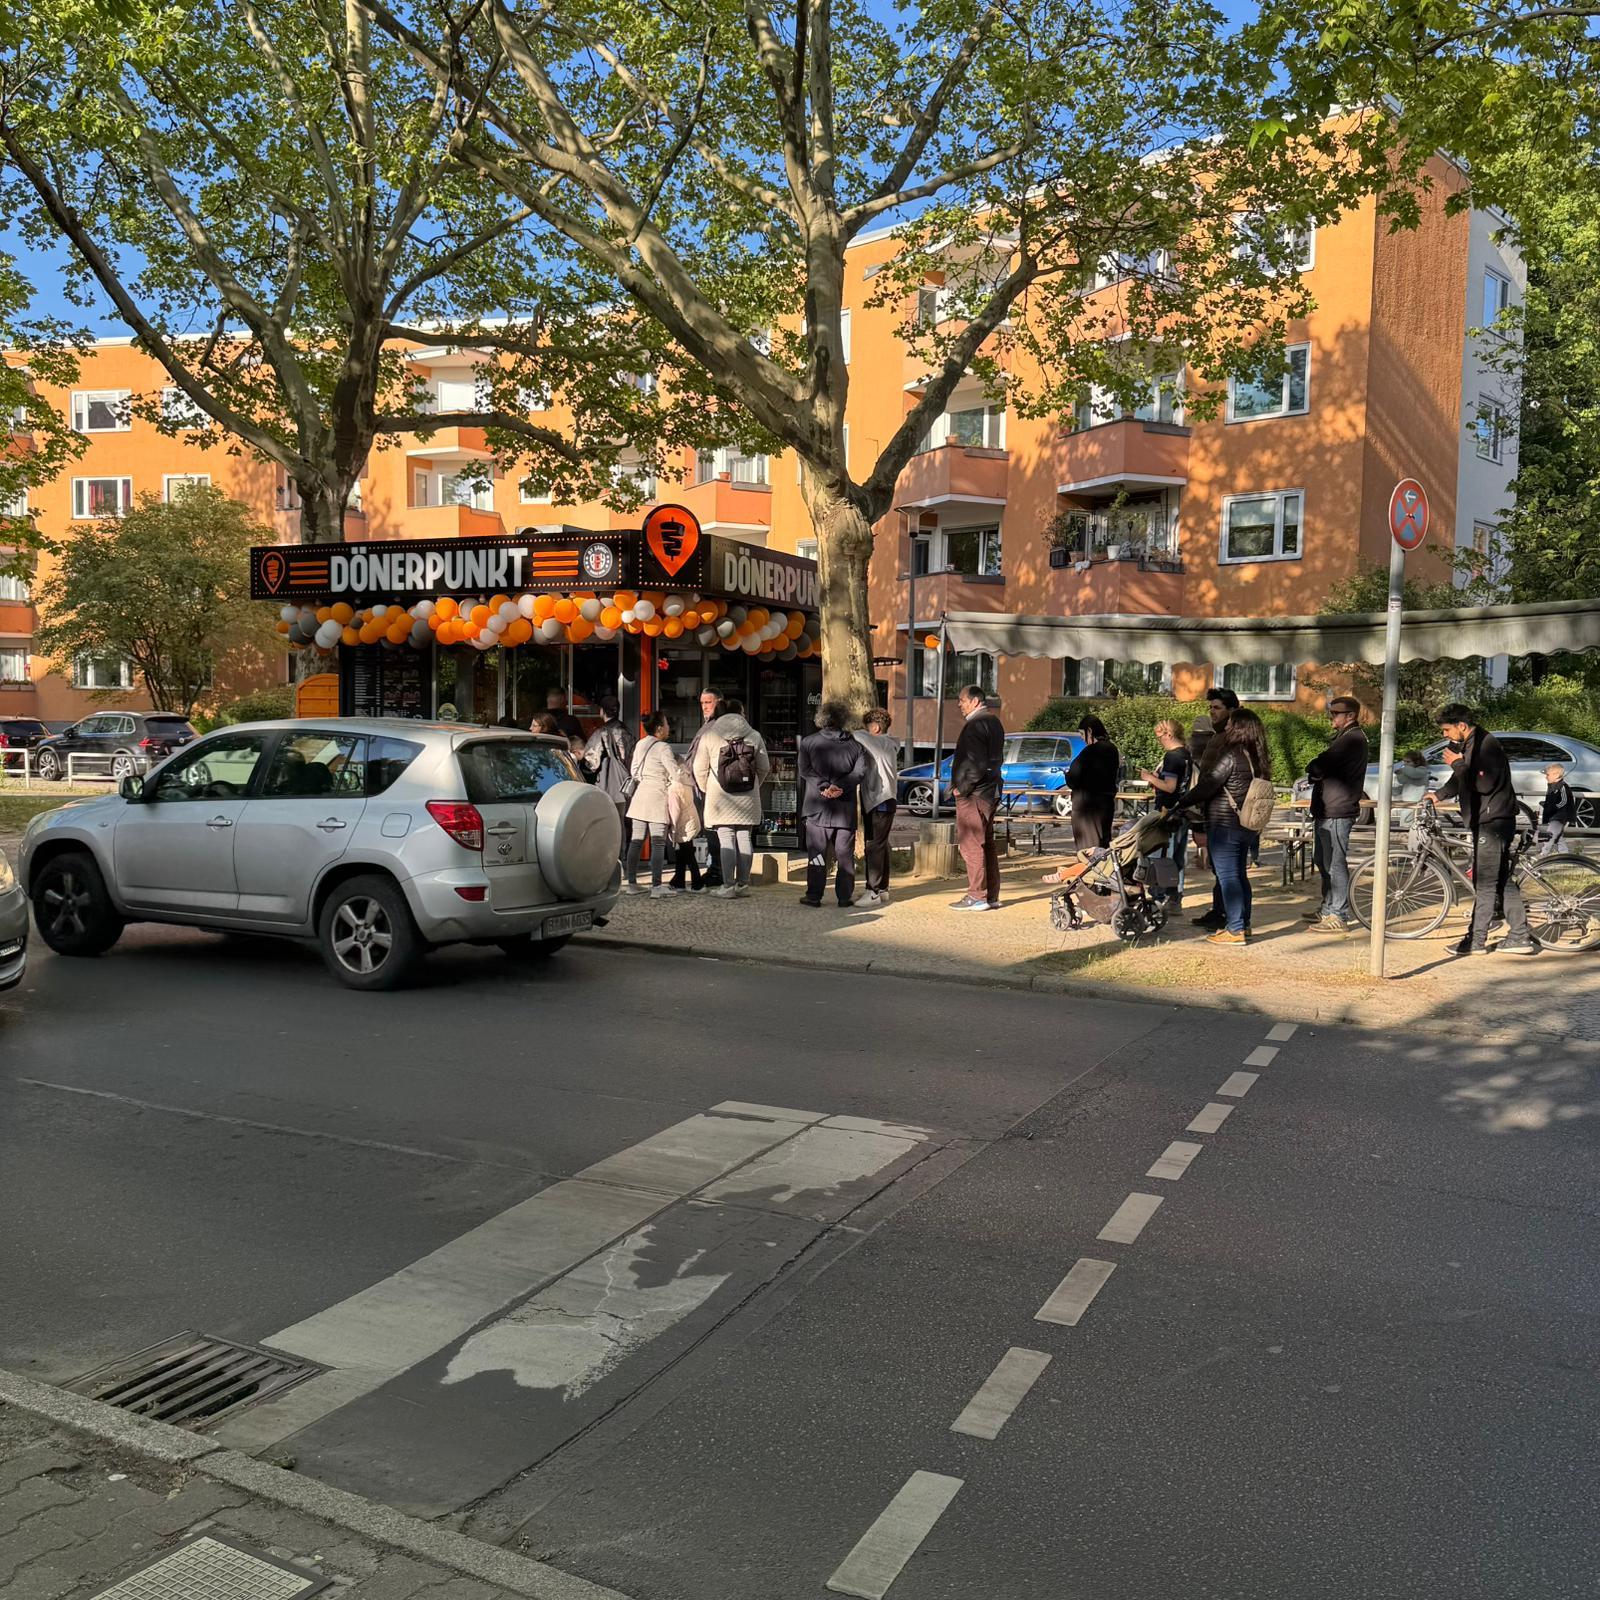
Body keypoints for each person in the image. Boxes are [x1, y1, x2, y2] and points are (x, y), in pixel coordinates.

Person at [1426, 705, 1537, 955]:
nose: (1445, 735)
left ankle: (1475, 942)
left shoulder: (1486, 745)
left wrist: (1457, 764)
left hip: (1493, 823)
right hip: (1489, 820)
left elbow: (1482, 783)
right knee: (1500, 881)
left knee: (1485, 883)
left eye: (1446, 730)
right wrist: (1438, 794)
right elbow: (1463, 779)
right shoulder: (1470, 745)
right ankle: (1519, 936)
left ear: (1461, 726)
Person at [1176, 707, 1270, 945]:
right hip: (1246, 825)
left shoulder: (1231, 755)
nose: (1226, 727)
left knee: (1228, 877)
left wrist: (1183, 802)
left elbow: (1209, 783)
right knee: (1239, 876)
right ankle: (1243, 924)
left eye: (1231, 724)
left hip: (1225, 823)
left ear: (1238, 727)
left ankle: (1235, 929)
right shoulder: (1257, 756)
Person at [693, 697, 771, 898]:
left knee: (725, 838)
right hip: (747, 796)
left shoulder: (710, 735)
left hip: (720, 797)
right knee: (744, 836)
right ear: (741, 713)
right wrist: (753, 785)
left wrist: (707, 788)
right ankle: (742, 885)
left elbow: (699, 768)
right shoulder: (754, 735)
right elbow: (764, 767)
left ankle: (727, 886)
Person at [1304, 695, 1369, 934]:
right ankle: (1328, 907)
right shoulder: (1344, 737)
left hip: (1339, 810)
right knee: (1322, 861)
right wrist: (1316, 770)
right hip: (1328, 808)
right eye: (1331, 713)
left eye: (1335, 714)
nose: (1331, 717)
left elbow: (1320, 764)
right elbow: (1317, 767)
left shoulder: (1352, 739)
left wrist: (1316, 769)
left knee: (1335, 864)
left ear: (1350, 715)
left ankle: (1338, 915)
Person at [797, 702, 870, 907]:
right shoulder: (856, 746)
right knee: (845, 855)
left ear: (822, 719)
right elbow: (860, 773)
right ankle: (844, 896)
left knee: (816, 854)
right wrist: (840, 787)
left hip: (816, 807)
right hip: (844, 811)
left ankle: (814, 895)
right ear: (844, 718)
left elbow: (804, 769)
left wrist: (824, 787)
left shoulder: (809, 742)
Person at [949, 684, 1005, 911]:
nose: (960, 705)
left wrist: (962, 788)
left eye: (962, 700)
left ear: (974, 701)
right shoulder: (994, 722)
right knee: (987, 843)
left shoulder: (975, 725)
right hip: (989, 790)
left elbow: (976, 762)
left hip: (974, 793)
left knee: (971, 843)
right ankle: (990, 894)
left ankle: (977, 895)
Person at [623, 712, 684, 897]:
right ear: (659, 728)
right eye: (666, 724)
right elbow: (674, 773)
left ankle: (632, 883)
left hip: (640, 795)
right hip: (657, 796)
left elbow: (634, 771)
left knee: (636, 841)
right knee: (658, 842)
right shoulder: (663, 747)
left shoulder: (641, 743)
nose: (668, 727)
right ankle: (656, 886)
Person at [676, 689, 725, 890]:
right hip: (701, 784)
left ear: (718, 702)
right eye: (702, 702)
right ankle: (688, 875)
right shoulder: (708, 725)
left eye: (709, 702)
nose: (705, 706)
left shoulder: (717, 726)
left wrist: (703, 786)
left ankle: (715, 871)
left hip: (708, 785)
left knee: (710, 830)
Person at [1139, 718, 1193, 900]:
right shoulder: (1186, 754)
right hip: (1182, 811)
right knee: (1178, 856)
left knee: (1161, 855)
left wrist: (1149, 777)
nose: (1159, 742)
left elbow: (1170, 786)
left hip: (1166, 812)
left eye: (1160, 737)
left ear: (1169, 735)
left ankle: (1159, 896)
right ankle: (1175, 896)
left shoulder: (1172, 756)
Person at [853, 707, 900, 906]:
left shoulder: (876, 741)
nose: (865, 729)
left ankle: (872, 891)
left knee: (873, 846)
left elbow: (855, 735)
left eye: (868, 725)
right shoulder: (889, 743)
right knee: (881, 844)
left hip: (879, 799)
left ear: (876, 727)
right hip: (885, 799)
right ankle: (883, 888)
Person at [583, 695, 636, 855]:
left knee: (610, 822)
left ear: (602, 711)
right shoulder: (626, 731)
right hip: (626, 782)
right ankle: (624, 855)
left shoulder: (601, 732)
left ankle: (613, 857)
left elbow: (591, 761)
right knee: (624, 822)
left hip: (609, 784)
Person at [1065, 714, 1119, 849]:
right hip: (1106, 805)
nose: (1082, 739)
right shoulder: (1112, 749)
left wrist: (1067, 775)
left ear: (1090, 731)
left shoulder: (1089, 752)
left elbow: (1074, 777)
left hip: (1086, 808)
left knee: (1088, 849)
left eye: (1082, 735)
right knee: (1103, 845)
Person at [1539, 763, 1578, 857]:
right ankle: (1564, 854)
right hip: (1554, 816)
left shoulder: (1563, 787)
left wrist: (1553, 807)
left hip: (1560, 816)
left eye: (1548, 775)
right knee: (1559, 836)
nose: (1546, 777)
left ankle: (1543, 854)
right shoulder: (1552, 785)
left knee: (1551, 835)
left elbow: (1563, 801)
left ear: (1556, 775)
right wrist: (1546, 804)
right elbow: (1551, 799)